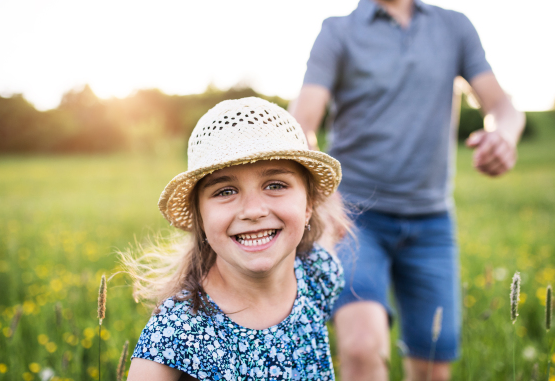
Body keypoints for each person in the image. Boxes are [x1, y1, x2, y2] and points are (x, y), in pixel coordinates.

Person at [290, 0, 525, 380]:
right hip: (354, 218)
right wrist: (321, 194)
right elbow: (302, 123)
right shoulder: (338, 31)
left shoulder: (454, 27)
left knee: (432, 366)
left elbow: (502, 105)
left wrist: (504, 136)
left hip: (431, 222)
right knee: (362, 349)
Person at [122, 97, 351, 380]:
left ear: (308, 206)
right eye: (225, 191)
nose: (253, 211)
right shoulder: (177, 331)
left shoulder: (318, 273)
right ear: (200, 217)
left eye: (276, 185)